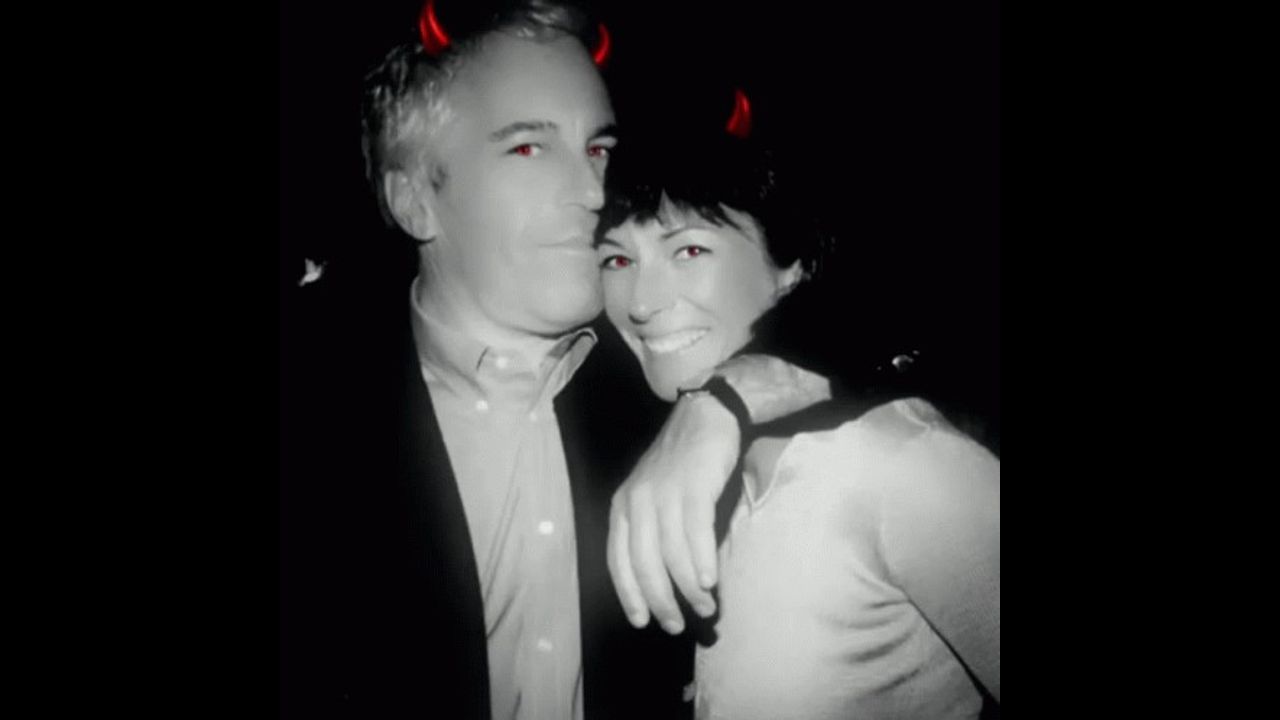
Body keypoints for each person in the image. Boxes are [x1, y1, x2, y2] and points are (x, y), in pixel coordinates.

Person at [279, 2, 831, 718]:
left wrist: (728, 395)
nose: (595, 192)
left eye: (598, 148)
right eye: (528, 149)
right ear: (413, 200)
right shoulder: (309, 393)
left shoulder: (660, 358)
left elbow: (897, 327)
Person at [593, 99, 1000, 718]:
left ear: (792, 268)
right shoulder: (677, 473)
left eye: (689, 250)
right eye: (617, 260)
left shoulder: (903, 465)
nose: (641, 303)